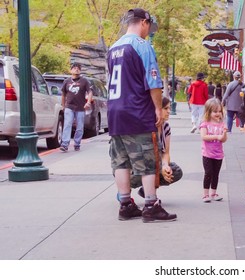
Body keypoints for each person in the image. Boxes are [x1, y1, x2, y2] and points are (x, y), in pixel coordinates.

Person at [107, 7, 176, 223]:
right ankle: (151, 205)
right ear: (143, 22)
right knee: (147, 161)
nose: (149, 32)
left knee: (121, 161)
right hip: (137, 109)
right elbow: (153, 81)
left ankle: (125, 204)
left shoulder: (113, 48)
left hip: (115, 112)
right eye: (149, 27)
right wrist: (157, 107)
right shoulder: (142, 46)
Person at [119, 96, 183, 199]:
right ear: (156, 109)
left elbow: (165, 153)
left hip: (154, 164)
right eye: (166, 108)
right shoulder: (145, 126)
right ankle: (125, 191)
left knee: (175, 171)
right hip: (136, 168)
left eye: (169, 108)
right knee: (153, 167)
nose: (169, 111)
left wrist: (165, 165)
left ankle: (147, 190)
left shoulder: (165, 127)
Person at [199, 98, 228, 202]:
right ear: (208, 112)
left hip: (218, 154)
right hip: (207, 154)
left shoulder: (222, 124)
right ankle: (205, 194)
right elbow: (204, 136)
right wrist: (217, 136)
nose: (218, 114)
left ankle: (214, 193)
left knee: (216, 173)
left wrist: (224, 134)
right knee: (208, 173)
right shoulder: (205, 124)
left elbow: (224, 140)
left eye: (219, 111)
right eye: (215, 111)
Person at [60, 62, 93, 152]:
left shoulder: (84, 81)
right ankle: (65, 144)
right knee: (67, 124)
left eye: (78, 68)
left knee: (79, 127)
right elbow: (63, 94)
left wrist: (88, 102)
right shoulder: (66, 81)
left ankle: (77, 143)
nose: (76, 69)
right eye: (74, 68)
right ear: (71, 70)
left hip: (80, 107)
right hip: (69, 106)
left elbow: (90, 92)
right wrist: (63, 106)